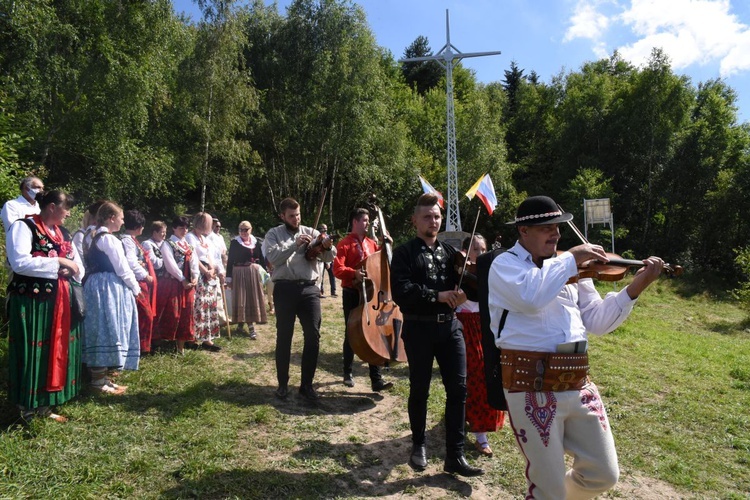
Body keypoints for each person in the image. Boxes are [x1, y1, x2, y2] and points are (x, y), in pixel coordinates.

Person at [488, 195, 664, 499]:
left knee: (603, 474)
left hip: (577, 381)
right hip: (531, 384)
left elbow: (597, 321)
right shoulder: (505, 265)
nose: (555, 233)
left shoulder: (572, 270)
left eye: (557, 227)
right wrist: (570, 258)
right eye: (546, 227)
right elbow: (532, 297)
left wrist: (636, 287)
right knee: (549, 486)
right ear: (523, 231)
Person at [390, 193, 484, 477]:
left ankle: (455, 455)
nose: (433, 220)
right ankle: (418, 444)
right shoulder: (404, 253)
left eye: (437, 216)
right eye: (428, 216)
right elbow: (402, 292)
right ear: (415, 220)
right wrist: (438, 295)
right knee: (420, 388)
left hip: (450, 328)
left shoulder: (449, 253)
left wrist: (465, 289)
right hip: (418, 328)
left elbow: (475, 289)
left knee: (459, 389)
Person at [5, 190, 83, 421]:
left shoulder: (63, 232)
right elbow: (19, 262)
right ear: (51, 207)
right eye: (66, 207)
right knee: (33, 352)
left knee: (53, 350)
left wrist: (72, 268)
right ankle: (26, 407)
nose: (69, 213)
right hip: (33, 301)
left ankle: (45, 405)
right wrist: (58, 261)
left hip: (60, 300)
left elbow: (78, 263)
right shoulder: (23, 227)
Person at [265, 197, 336, 401]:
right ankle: (282, 384)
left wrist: (328, 246)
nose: (296, 219)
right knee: (284, 337)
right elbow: (273, 258)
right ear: (282, 216)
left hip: (309, 289)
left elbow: (329, 258)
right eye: (291, 216)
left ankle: (306, 385)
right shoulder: (274, 234)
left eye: (298, 215)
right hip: (285, 288)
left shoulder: (313, 232)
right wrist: (294, 245)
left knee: (313, 336)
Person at [455, 234, 505, 457]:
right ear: (465, 253)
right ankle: (480, 436)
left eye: (483, 249)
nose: (480, 254)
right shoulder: (459, 274)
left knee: (491, 376)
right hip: (466, 326)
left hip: (489, 326)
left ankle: (475, 423)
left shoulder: (491, 273)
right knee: (475, 378)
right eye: (475, 249)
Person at [332, 207, 393, 391]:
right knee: (351, 332)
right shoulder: (344, 244)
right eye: (365, 221)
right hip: (352, 293)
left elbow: (380, 260)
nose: (368, 224)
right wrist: (354, 273)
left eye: (368, 220)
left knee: (374, 332)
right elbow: (337, 269)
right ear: (355, 222)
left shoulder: (371, 243)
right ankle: (347, 372)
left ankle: (376, 379)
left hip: (372, 294)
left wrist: (387, 245)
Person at [82, 201, 140, 394]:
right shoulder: (109, 239)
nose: (123, 222)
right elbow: (122, 268)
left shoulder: (90, 236)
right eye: (121, 218)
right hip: (108, 287)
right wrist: (136, 288)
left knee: (100, 328)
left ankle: (103, 378)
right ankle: (98, 383)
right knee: (107, 327)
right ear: (111, 218)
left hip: (93, 285)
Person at [153, 216, 198, 355]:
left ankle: (180, 346)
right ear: (174, 228)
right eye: (181, 228)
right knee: (170, 312)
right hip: (172, 283)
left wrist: (195, 276)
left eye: (186, 228)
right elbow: (170, 264)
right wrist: (182, 278)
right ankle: (159, 343)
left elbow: (194, 262)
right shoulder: (168, 244)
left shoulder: (189, 245)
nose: (184, 231)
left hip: (187, 285)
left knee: (186, 313)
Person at [185, 212, 223, 352]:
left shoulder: (204, 238)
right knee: (199, 306)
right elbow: (193, 256)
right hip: (198, 274)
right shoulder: (190, 237)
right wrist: (205, 271)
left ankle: (207, 338)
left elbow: (209, 255)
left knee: (209, 305)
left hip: (208, 274)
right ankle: (193, 337)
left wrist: (212, 269)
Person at [121, 210, 157, 355]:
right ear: (138, 226)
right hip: (135, 281)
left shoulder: (132, 239)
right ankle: (140, 347)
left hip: (140, 281)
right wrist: (145, 275)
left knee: (142, 315)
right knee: (143, 315)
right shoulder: (127, 241)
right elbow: (131, 262)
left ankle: (142, 346)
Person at [226, 220, 266, 339]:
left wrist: (265, 272)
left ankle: (241, 324)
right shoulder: (235, 243)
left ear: (251, 229)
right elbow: (230, 261)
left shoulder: (255, 242)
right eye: (241, 230)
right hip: (239, 272)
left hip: (252, 273)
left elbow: (261, 258)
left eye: (246, 229)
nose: (243, 232)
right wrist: (229, 277)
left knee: (251, 297)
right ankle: (249, 326)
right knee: (242, 298)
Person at [317, 224, 337, 297]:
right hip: (319, 260)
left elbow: (328, 251)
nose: (325, 230)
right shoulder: (317, 237)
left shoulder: (327, 237)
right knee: (320, 277)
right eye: (323, 229)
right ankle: (320, 292)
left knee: (332, 275)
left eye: (326, 229)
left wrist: (327, 262)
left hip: (327, 260)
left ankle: (333, 291)